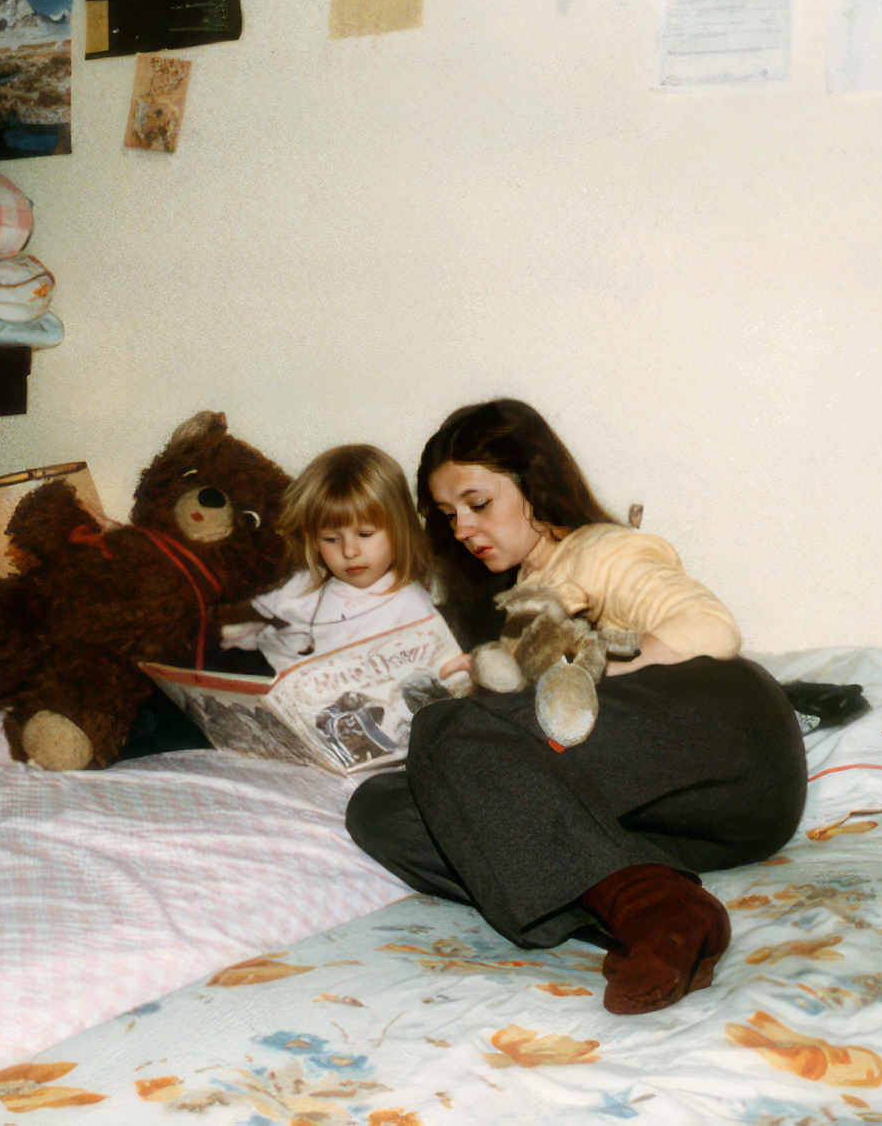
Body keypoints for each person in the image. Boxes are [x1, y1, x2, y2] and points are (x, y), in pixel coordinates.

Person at [345, 400, 806, 1015]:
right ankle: (649, 909)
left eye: (478, 503)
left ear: (535, 485)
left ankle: (643, 902)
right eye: (450, 514)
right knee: (381, 810)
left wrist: (595, 676)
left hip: (735, 742)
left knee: (447, 732)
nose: (462, 528)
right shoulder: (517, 600)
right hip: (694, 827)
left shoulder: (603, 550)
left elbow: (710, 626)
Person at [222, 444, 469, 743]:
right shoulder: (299, 587)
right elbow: (238, 623)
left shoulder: (410, 600)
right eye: (331, 539)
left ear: (399, 530)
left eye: (365, 535)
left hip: (372, 729)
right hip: (296, 717)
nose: (349, 551)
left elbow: (449, 673)